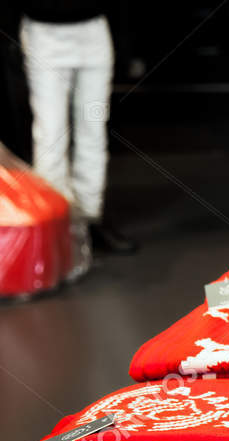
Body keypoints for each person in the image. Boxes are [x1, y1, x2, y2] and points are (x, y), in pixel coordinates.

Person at [18, 0, 135, 253]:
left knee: (93, 130)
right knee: (51, 135)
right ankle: (56, 227)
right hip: (44, 30)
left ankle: (90, 220)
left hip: (93, 28)